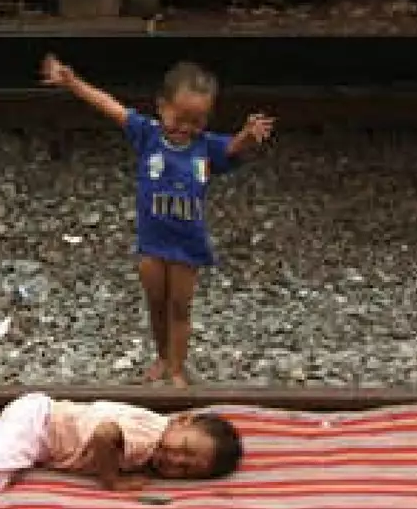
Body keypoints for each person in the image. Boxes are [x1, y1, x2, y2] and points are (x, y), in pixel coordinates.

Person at [41, 55, 273, 386]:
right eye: (180, 118)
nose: (186, 129)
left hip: (187, 242)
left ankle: (177, 366)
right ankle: (163, 357)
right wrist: (73, 82)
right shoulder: (148, 135)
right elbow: (111, 107)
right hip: (152, 240)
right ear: (162, 107)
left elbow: (233, 149)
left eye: (197, 121)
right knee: (156, 303)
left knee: (180, 307)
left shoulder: (205, 148)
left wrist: (249, 135)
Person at [0, 390, 242, 497]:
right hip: (40, 428)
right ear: (182, 420)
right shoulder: (148, 438)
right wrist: (113, 482)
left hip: (39, 416)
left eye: (185, 469)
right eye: (185, 448)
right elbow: (107, 434)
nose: (174, 460)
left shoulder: (155, 426)